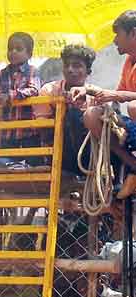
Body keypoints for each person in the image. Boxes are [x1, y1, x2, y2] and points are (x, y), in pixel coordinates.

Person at [72, 11, 136, 184]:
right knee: (91, 115)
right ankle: (133, 165)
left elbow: (120, 96)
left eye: (118, 35)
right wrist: (89, 91)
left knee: (134, 107)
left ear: (133, 33)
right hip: (133, 125)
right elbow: (116, 97)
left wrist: (116, 95)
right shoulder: (129, 61)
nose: (115, 41)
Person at [34, 44, 97, 177]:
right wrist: (63, 105)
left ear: (88, 71)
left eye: (76, 65)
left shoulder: (96, 95)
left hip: (88, 153)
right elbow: (42, 126)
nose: (70, 69)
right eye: (66, 65)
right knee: (71, 115)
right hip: (57, 151)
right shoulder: (49, 90)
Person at [0, 32, 41, 154]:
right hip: (8, 132)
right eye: (10, 49)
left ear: (29, 54)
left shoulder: (32, 71)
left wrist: (11, 96)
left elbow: (34, 90)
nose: (13, 52)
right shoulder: (2, 73)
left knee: (32, 163)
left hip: (28, 131)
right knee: (6, 164)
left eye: (18, 49)